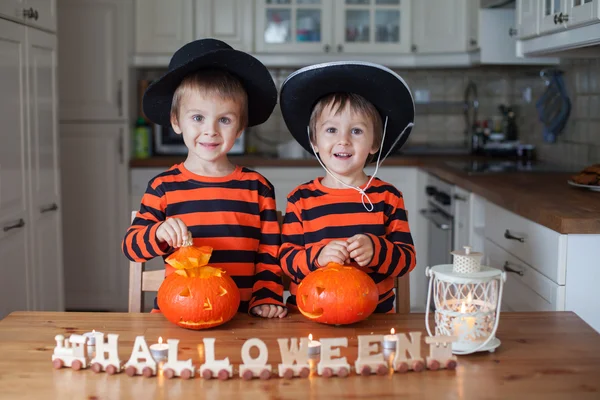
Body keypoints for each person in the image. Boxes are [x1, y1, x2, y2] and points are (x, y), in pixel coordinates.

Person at [123, 38, 286, 318]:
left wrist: (267, 297)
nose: (210, 131)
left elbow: (270, 255)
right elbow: (132, 247)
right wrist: (158, 233)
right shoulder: (163, 187)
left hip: (244, 317)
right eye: (198, 118)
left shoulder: (258, 189)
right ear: (176, 121)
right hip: (180, 314)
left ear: (240, 128)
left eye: (224, 120)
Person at [278, 61, 416, 313]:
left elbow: (406, 260)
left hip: (374, 319)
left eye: (356, 131)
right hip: (309, 317)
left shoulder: (388, 197)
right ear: (314, 141)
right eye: (331, 129)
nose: (343, 140)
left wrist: (376, 249)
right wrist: (318, 258)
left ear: (375, 143)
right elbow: (287, 261)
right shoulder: (300, 199)